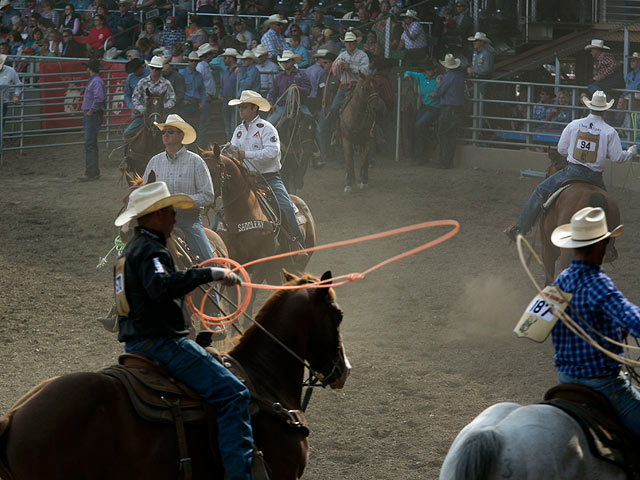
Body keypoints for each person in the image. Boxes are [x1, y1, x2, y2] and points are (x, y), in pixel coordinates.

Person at [112, 180, 255, 480]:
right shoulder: (152, 251)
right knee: (234, 394)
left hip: (135, 346)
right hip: (162, 344)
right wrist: (207, 272)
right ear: (154, 216)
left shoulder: (128, 252)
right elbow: (161, 288)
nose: (175, 217)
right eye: (169, 212)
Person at [547, 206, 640, 440]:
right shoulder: (598, 283)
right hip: (603, 385)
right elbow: (634, 322)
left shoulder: (560, 280)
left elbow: (536, 324)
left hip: (565, 381)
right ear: (601, 247)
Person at [504, 91, 638, 241]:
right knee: (608, 207)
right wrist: (630, 152)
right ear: (605, 110)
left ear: (590, 107)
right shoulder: (609, 131)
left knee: (540, 191)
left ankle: (520, 228)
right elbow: (617, 157)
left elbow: (561, 149)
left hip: (572, 172)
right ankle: (608, 246)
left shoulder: (574, 125)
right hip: (595, 177)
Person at [228, 90, 306, 250]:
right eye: (240, 107)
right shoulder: (239, 130)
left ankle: (298, 244)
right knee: (225, 209)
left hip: (268, 179)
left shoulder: (267, 128)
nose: (240, 109)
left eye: (244, 106)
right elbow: (232, 149)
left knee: (285, 206)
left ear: (254, 109)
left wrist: (245, 154)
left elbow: (272, 153)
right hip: (245, 181)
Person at [142, 114, 216, 261]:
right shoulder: (154, 162)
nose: (165, 134)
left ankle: (215, 281)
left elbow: (208, 196)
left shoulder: (196, 162)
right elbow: (143, 193)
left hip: (188, 220)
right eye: (163, 132)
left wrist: (181, 200)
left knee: (208, 261)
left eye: (170, 131)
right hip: (159, 220)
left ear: (181, 136)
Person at [124, 55, 176, 139]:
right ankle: (127, 151)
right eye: (153, 68)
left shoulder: (166, 83)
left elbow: (172, 99)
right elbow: (135, 97)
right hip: (145, 114)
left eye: (157, 69)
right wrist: (140, 107)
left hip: (161, 115)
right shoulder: (143, 82)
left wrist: (162, 107)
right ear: (149, 68)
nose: (155, 70)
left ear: (161, 70)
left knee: (174, 135)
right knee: (128, 133)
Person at [430, 53, 464, 169]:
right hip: (458, 108)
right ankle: (449, 161)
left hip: (448, 108)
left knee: (443, 134)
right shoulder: (459, 76)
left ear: (445, 66)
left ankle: (444, 162)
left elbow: (439, 92)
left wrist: (438, 83)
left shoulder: (447, 77)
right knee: (452, 136)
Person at [404, 59, 440, 163]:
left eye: (431, 70)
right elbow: (407, 72)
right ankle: (419, 155)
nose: (430, 72)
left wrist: (436, 93)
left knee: (418, 126)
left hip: (434, 108)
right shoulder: (421, 77)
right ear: (425, 71)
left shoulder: (438, 79)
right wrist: (407, 75)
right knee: (418, 128)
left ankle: (419, 155)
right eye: (428, 70)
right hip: (424, 107)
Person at [267, 49, 311, 126]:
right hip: (282, 107)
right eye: (283, 62)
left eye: (287, 61)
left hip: (299, 105)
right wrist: (271, 104)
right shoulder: (278, 77)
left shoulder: (302, 75)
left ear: (293, 61)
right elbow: (272, 92)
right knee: (269, 124)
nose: (285, 64)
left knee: (311, 122)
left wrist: (299, 89)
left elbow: (308, 90)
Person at [78, 58, 105, 181]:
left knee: (90, 143)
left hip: (93, 115)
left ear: (89, 68)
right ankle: (93, 171)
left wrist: (91, 110)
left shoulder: (95, 81)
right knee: (91, 143)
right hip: (93, 114)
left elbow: (99, 98)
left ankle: (91, 172)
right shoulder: (95, 81)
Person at [180, 51, 206, 131]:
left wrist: (202, 103)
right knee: (184, 127)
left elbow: (202, 90)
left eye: (195, 61)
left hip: (196, 105)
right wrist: (182, 100)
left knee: (195, 127)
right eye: (192, 60)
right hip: (186, 105)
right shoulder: (182, 74)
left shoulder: (199, 75)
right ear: (188, 61)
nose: (194, 62)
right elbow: (180, 89)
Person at [195, 42, 216, 140]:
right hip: (205, 98)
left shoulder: (205, 66)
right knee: (203, 124)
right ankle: (200, 144)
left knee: (205, 123)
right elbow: (199, 84)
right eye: (211, 53)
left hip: (208, 98)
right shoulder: (201, 67)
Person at [219, 47, 240, 139]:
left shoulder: (238, 70)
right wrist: (220, 94)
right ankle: (230, 142)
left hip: (235, 100)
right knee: (227, 125)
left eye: (225, 58)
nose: (224, 60)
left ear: (231, 58)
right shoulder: (226, 72)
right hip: (226, 101)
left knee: (234, 125)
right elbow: (222, 85)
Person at [466, 31, 493, 98]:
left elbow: (487, 70)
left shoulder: (486, 54)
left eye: (476, 41)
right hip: (476, 80)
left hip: (483, 80)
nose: (474, 43)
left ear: (482, 42)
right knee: (477, 98)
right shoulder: (475, 53)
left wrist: (473, 70)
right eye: (474, 41)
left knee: (482, 98)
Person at [0, 53, 21, 126]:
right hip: (3, 100)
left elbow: (18, 84)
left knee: (1, 121)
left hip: (3, 101)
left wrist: (16, 95)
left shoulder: (10, 71)